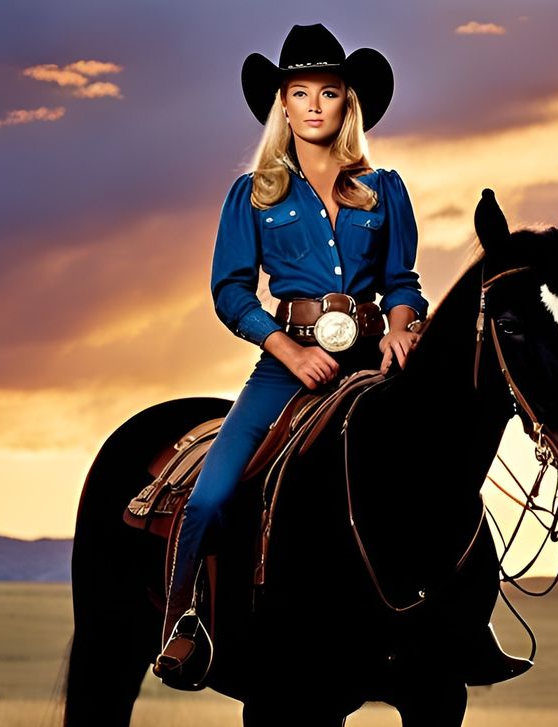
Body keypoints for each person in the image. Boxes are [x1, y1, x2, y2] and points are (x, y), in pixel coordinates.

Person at [153, 23, 523, 688]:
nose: (316, 104)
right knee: (209, 497)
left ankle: (468, 619)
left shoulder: (385, 189)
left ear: (348, 104)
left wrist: (405, 327)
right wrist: (289, 354)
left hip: (372, 362)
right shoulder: (253, 194)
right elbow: (230, 292)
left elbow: (402, 281)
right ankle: (185, 623)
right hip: (284, 367)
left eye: (330, 91)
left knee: (443, 471)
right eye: (301, 92)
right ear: (283, 106)